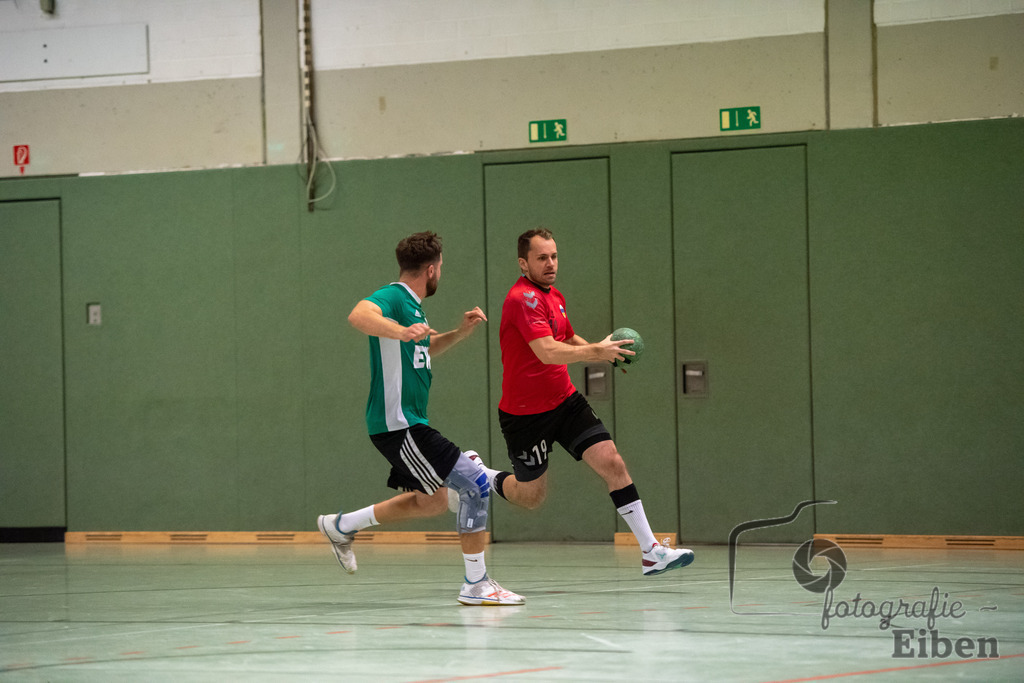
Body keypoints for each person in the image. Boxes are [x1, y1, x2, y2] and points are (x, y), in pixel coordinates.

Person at [317, 231, 524, 606]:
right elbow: (358, 315)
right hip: (400, 424)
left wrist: (459, 333)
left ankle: (340, 526)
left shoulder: (414, 308)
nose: (440, 273)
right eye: (440, 267)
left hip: (407, 423)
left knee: (432, 502)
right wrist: (400, 330)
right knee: (475, 485)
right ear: (431, 269)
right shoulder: (395, 297)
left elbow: (422, 347)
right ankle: (476, 584)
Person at [488, 227, 694, 576]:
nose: (551, 263)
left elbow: (567, 338)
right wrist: (597, 350)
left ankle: (651, 552)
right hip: (525, 415)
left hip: (565, 401)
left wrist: (605, 354)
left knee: (613, 462)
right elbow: (547, 351)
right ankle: (480, 476)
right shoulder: (521, 300)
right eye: (542, 258)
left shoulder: (555, 296)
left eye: (554, 256)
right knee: (531, 496)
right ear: (523, 264)